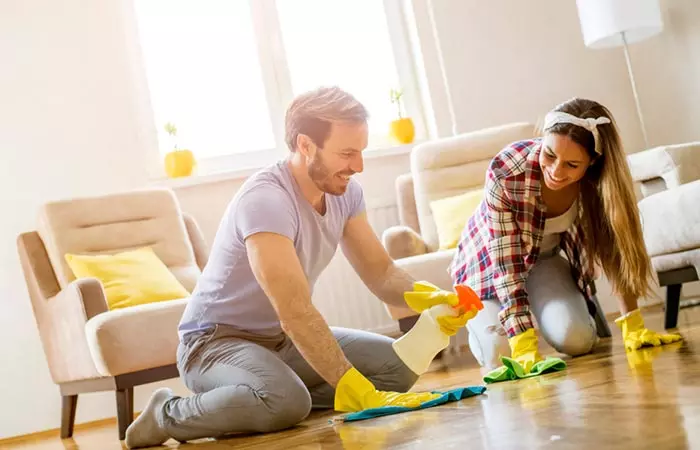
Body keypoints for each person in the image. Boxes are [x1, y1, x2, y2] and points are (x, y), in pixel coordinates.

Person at [125, 86, 474, 448]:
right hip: (214, 343)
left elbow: (381, 272)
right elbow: (293, 309)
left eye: (361, 152)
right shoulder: (266, 200)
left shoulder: (345, 192)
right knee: (286, 402)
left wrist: (431, 299)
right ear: (306, 145)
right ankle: (168, 413)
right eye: (347, 153)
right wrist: (353, 387)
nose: (358, 166)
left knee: (395, 369)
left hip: (280, 339)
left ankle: (268, 396)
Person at [449, 97, 682, 372]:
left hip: (544, 261)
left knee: (578, 340)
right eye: (549, 154)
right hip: (488, 265)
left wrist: (633, 323)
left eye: (572, 165)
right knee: (499, 356)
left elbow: (614, 248)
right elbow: (507, 264)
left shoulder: (599, 185)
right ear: (542, 138)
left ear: (592, 164)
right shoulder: (507, 170)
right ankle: (489, 326)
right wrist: (523, 342)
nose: (556, 171)